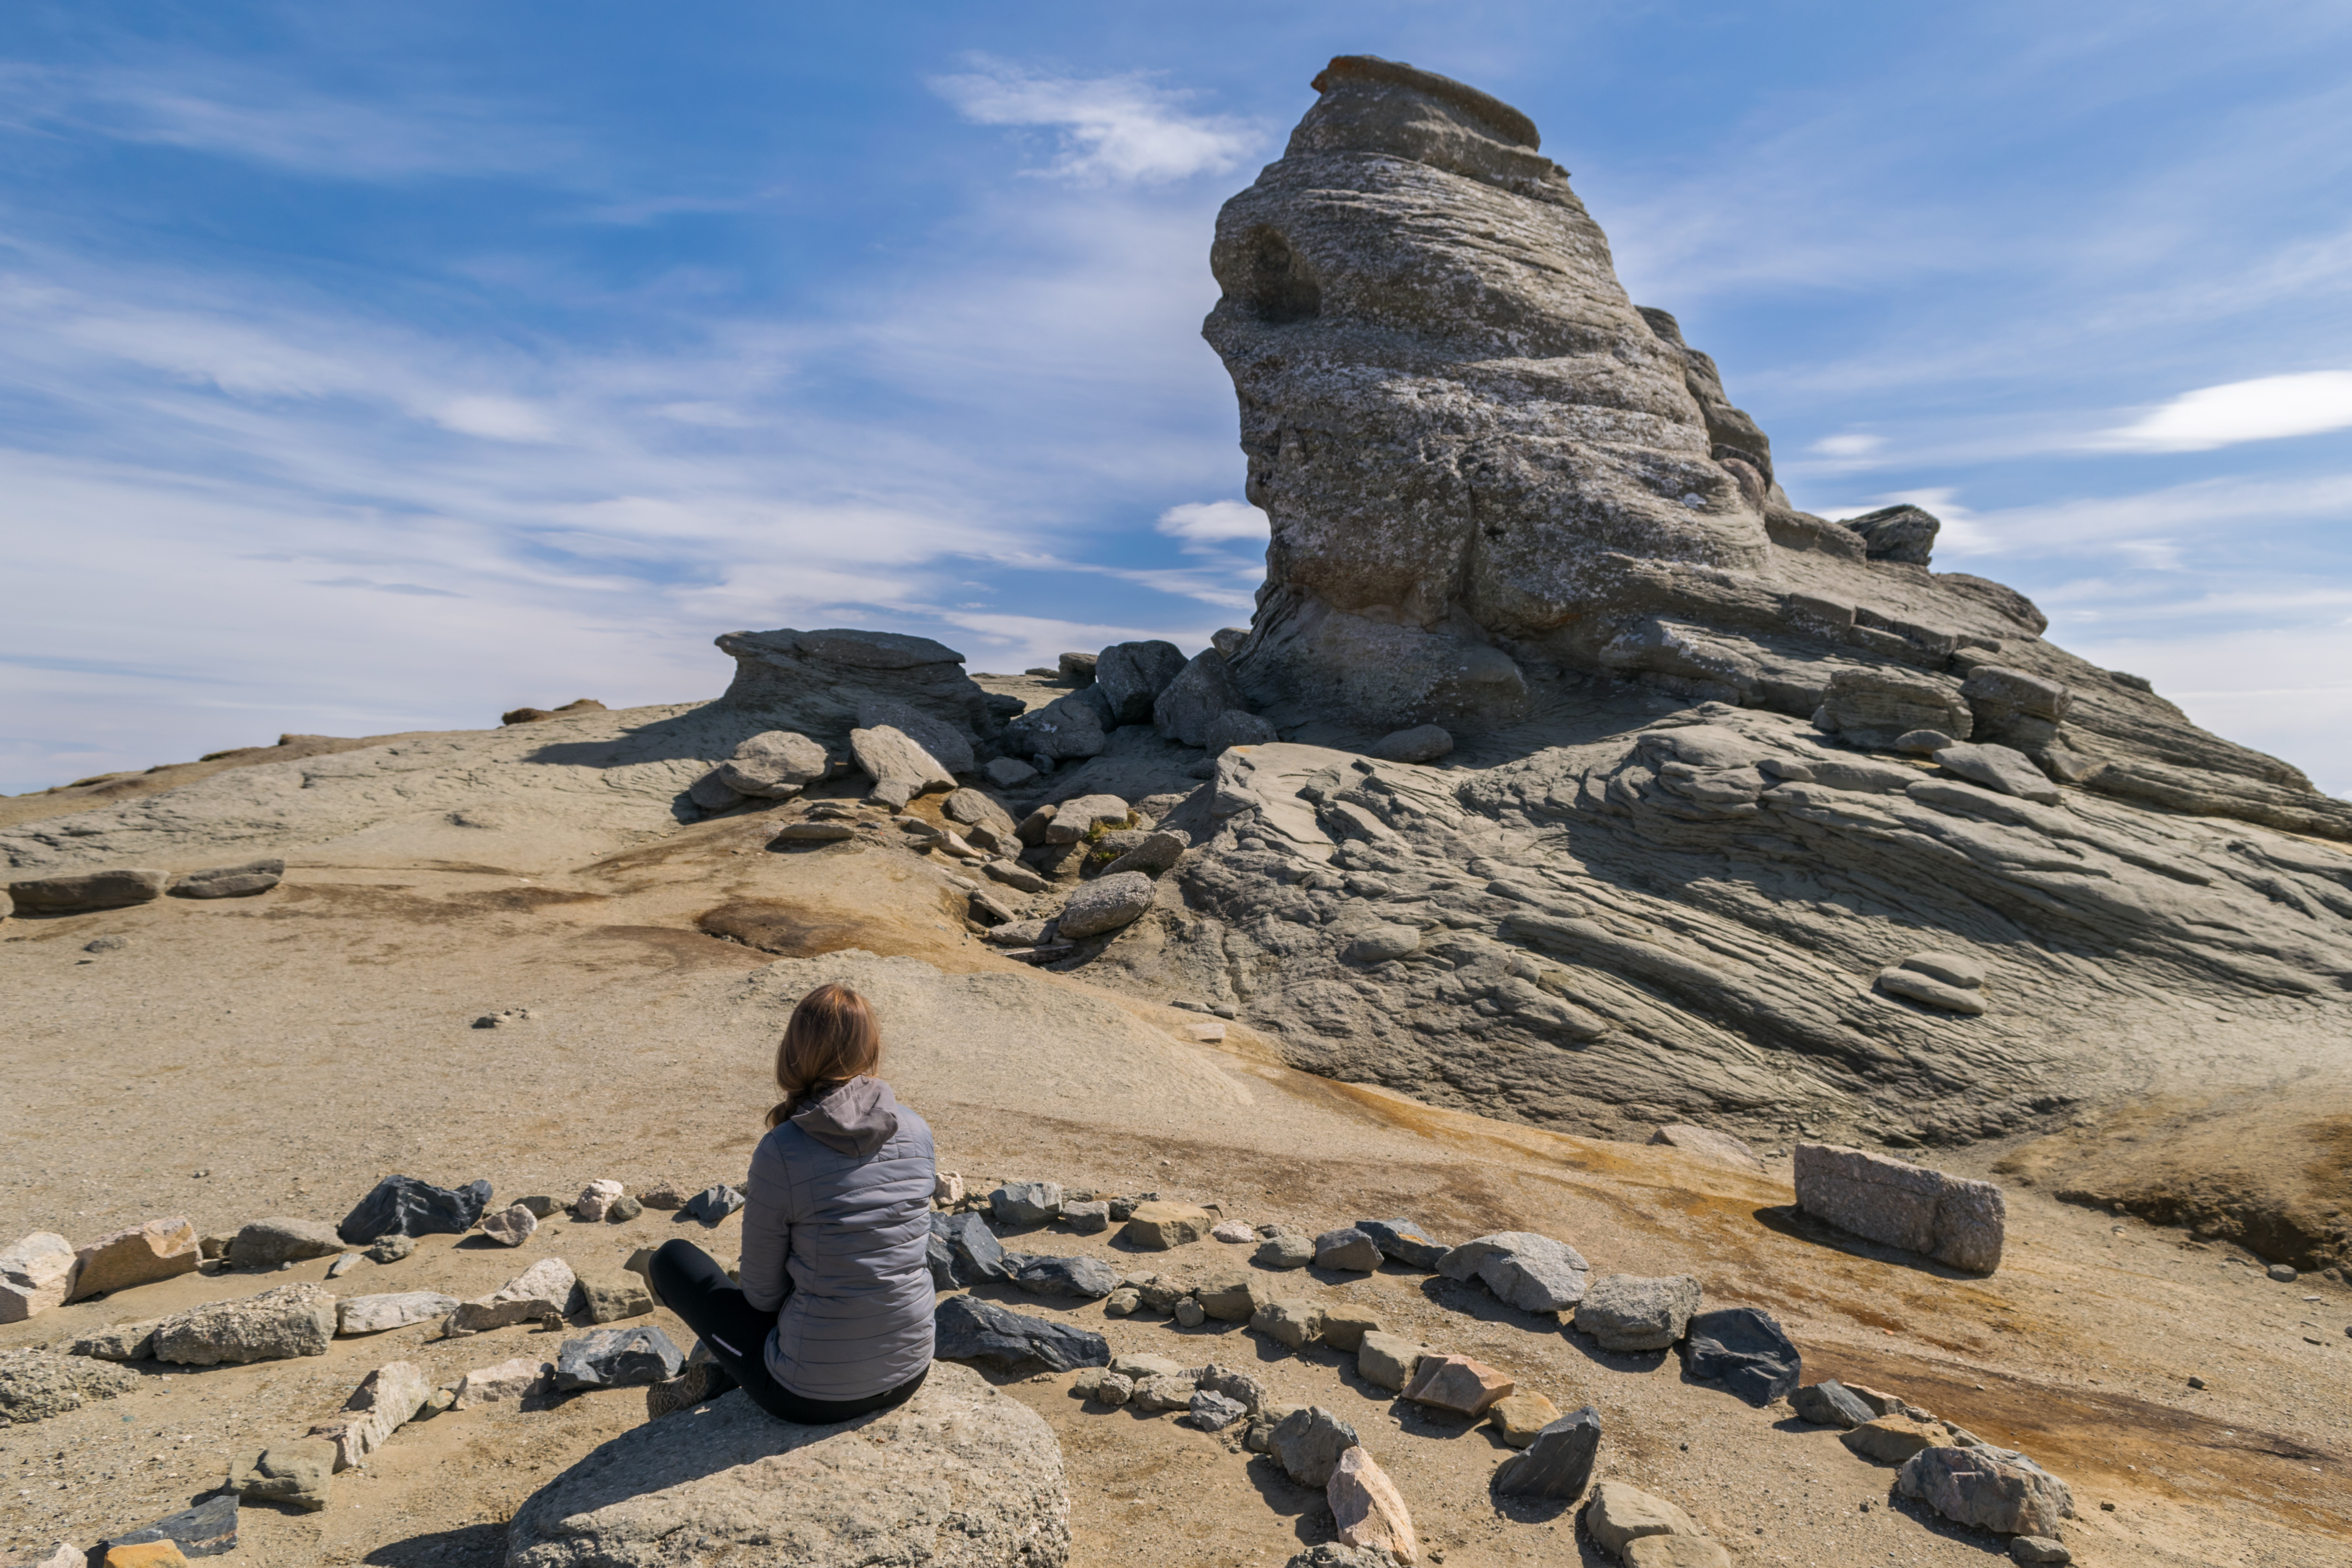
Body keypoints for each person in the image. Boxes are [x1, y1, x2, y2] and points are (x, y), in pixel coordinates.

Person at [651, 982, 935, 1423]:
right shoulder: (916, 1128)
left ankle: (716, 1371)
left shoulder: (782, 1149)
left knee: (671, 1260)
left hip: (810, 1396)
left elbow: (763, 1297)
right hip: (911, 1368)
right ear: (871, 1051)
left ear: (793, 1051)